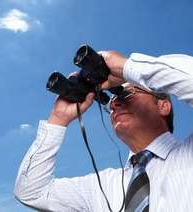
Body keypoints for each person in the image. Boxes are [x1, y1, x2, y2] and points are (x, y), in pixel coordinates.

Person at [14, 50, 193, 212]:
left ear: (163, 106)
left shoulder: (187, 155)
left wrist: (126, 68)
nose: (114, 103)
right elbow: (31, 192)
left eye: (127, 94)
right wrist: (58, 119)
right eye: (111, 101)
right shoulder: (103, 186)